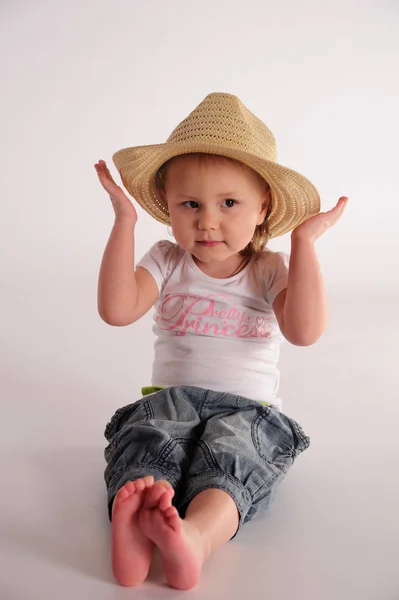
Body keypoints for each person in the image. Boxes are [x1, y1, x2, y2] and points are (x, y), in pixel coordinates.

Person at [94, 92, 347, 591]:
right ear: (168, 209)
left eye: (228, 203)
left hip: (248, 411)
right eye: (190, 204)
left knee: (234, 461)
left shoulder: (269, 269)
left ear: (263, 209)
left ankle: (195, 537)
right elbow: (117, 310)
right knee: (147, 446)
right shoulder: (167, 259)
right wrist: (124, 221)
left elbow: (304, 330)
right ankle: (138, 526)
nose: (207, 220)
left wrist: (303, 244)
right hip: (170, 402)